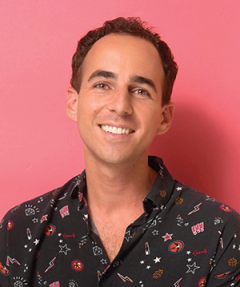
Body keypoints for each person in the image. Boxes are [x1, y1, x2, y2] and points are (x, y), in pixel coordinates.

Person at [0, 17, 240, 287]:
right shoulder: (20, 228)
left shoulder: (220, 232)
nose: (121, 106)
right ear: (73, 103)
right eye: (103, 84)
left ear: (164, 117)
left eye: (140, 90)